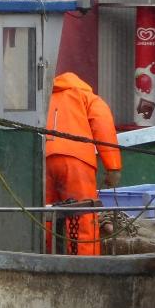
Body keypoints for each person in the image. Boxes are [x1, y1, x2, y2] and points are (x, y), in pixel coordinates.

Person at [45, 72, 121, 255]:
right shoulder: (87, 97)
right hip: (77, 162)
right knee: (83, 217)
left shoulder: (47, 97)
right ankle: (86, 265)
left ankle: (46, 260)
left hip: (44, 159)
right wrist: (113, 167)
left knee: (46, 215)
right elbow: (103, 127)